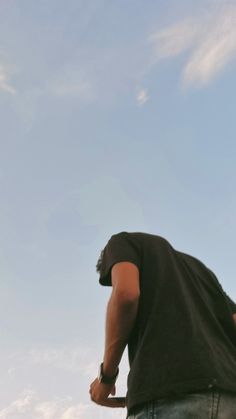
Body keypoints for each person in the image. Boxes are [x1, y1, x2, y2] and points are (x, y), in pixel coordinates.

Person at [89, 231, 236, 418]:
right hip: (229, 397)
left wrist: (106, 378)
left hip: (170, 397)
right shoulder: (201, 272)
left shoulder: (121, 242)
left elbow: (126, 295)